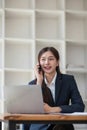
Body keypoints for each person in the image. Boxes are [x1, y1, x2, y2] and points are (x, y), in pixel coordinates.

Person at [24, 46, 85, 130]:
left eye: (51, 59)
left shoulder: (68, 80)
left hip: (61, 126)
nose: (47, 63)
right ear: (39, 64)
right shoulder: (33, 84)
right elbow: (31, 110)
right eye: (43, 59)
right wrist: (39, 81)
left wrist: (53, 109)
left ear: (57, 62)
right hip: (40, 127)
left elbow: (79, 106)